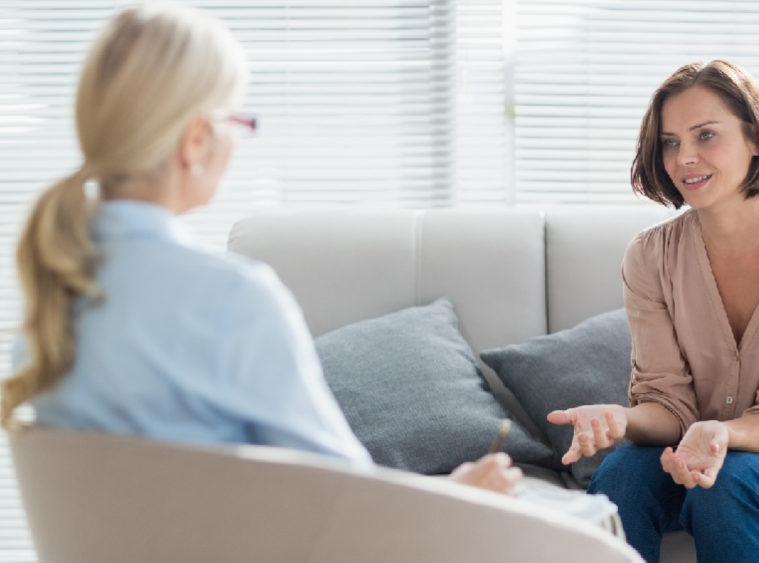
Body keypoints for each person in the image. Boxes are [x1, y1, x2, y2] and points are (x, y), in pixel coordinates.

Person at [1, 2, 520, 497]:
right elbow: (347, 508)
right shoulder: (231, 300)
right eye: (235, 121)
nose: (237, 142)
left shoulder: (51, 307)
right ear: (197, 141)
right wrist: (458, 495)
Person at [547, 60, 759, 562]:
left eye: (706, 135)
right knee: (619, 477)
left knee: (726, 483)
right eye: (670, 142)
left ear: (755, 139)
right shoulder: (650, 257)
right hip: (700, 452)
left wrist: (722, 434)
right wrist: (623, 419)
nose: (685, 158)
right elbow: (669, 406)